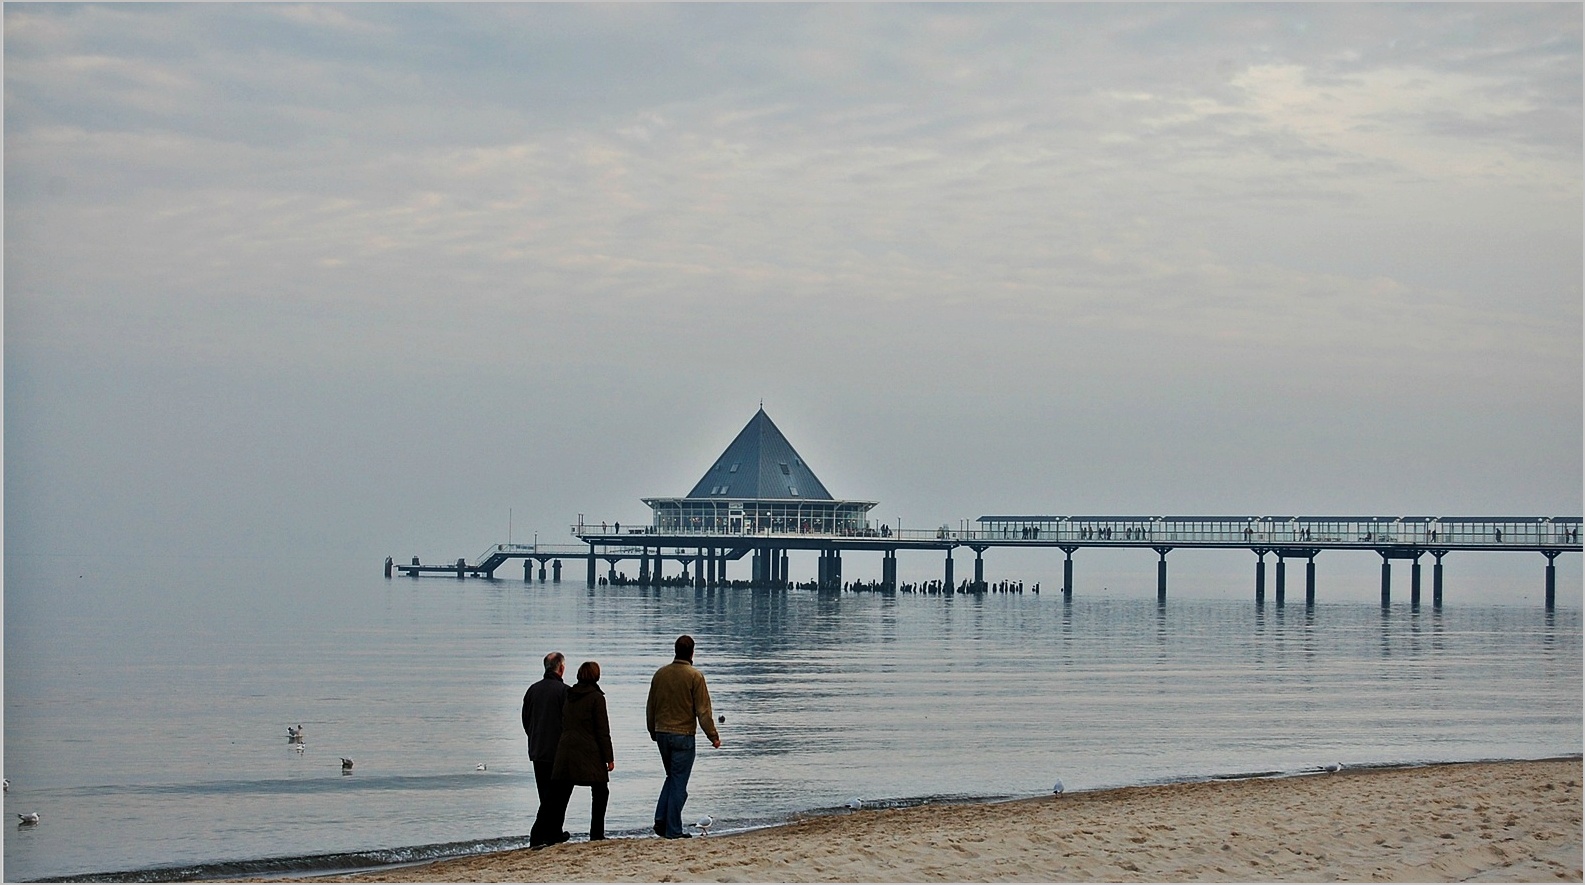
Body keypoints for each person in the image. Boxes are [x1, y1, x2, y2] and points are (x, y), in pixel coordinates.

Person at [646, 634, 720, 839]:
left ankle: (661, 819)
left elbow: (651, 706)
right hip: (684, 736)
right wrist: (713, 736)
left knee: (671, 777)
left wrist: (652, 730)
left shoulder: (660, 674)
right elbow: (703, 711)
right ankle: (673, 829)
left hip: (662, 733)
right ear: (692, 652)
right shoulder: (695, 676)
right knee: (679, 782)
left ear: (675, 650)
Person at [552, 661, 616, 841]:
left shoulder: (569, 694)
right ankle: (596, 833)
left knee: (563, 793)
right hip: (589, 750)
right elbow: (603, 731)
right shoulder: (597, 698)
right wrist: (609, 758)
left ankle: (554, 831)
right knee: (601, 792)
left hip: (566, 749)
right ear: (596, 676)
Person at [522, 651, 572, 849]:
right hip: (558, 750)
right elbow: (568, 723)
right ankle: (539, 834)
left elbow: (526, 720)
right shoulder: (564, 692)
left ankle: (554, 833)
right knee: (558, 795)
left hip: (538, 749)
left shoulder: (532, 690)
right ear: (561, 668)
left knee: (546, 793)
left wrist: (534, 737)